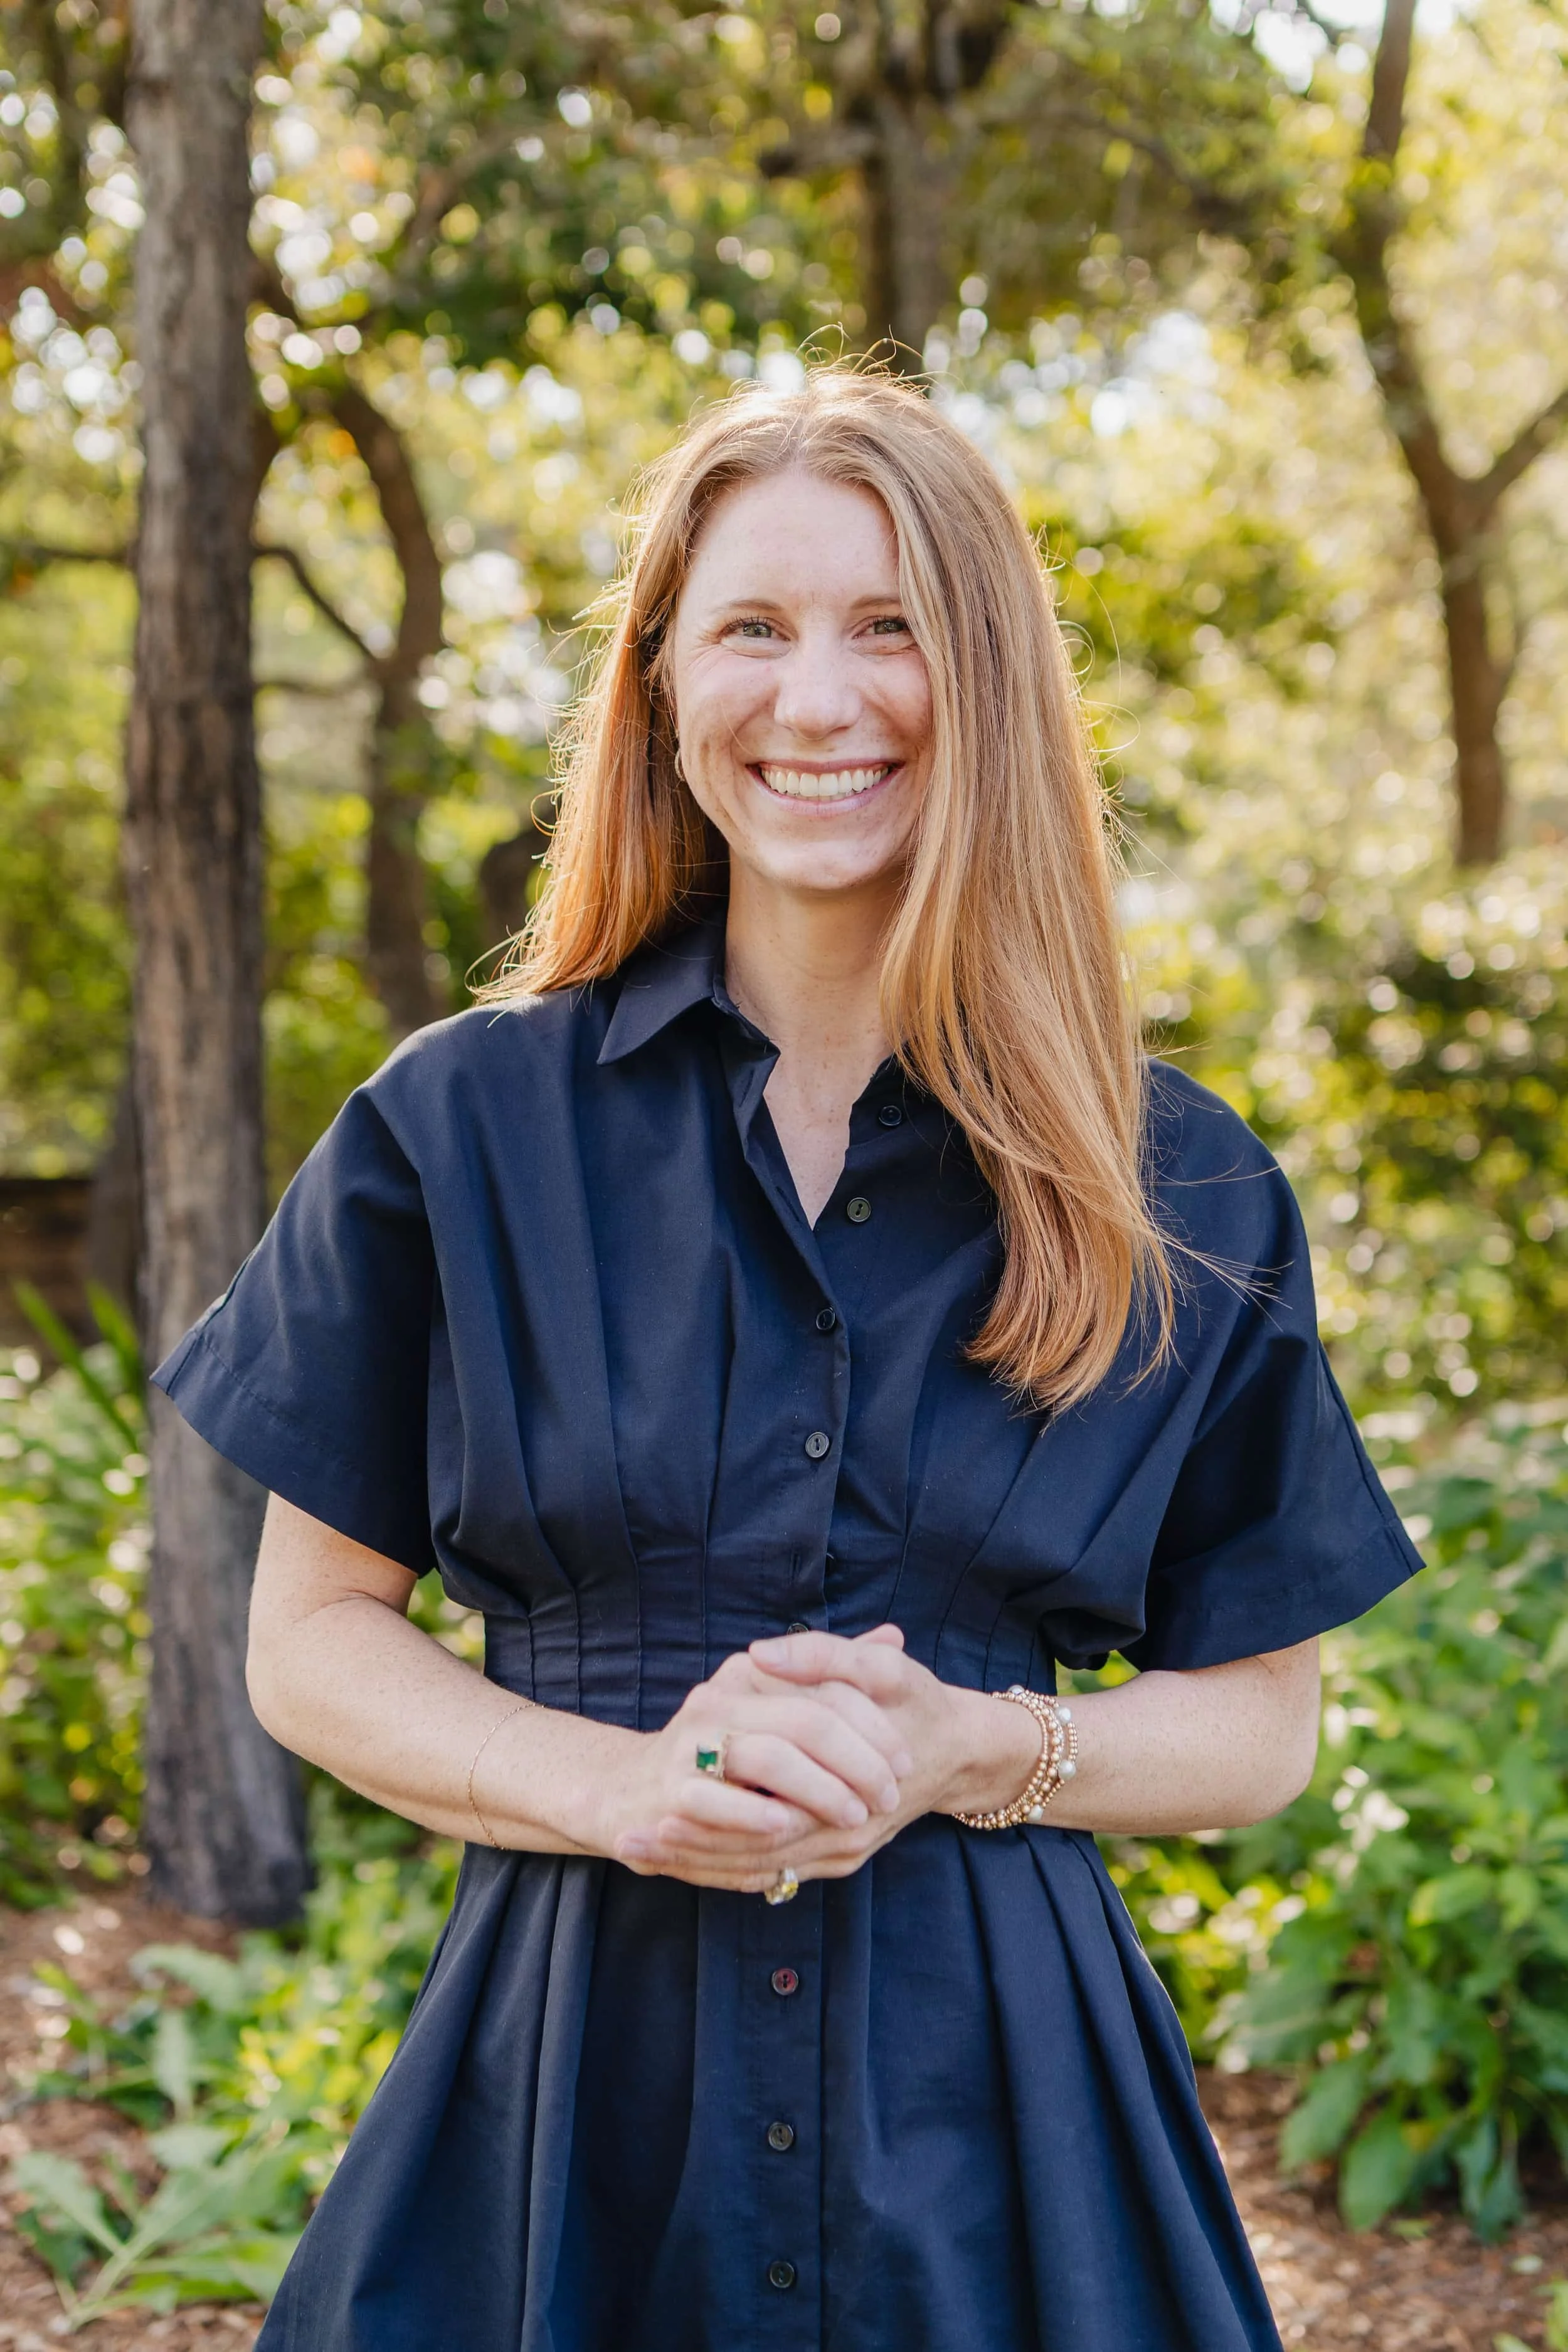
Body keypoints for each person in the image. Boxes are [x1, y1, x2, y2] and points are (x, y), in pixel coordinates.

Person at [152, 364, 1422, 2352]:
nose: (816, 700)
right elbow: (305, 1640)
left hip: (1005, 2137)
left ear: (986, 680)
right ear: (662, 682)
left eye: (890, 625)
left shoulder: (1182, 1182)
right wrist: (622, 1784)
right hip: (558, 2107)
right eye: (751, 625)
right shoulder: (457, 1129)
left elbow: (1261, 1723)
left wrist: (977, 1749)